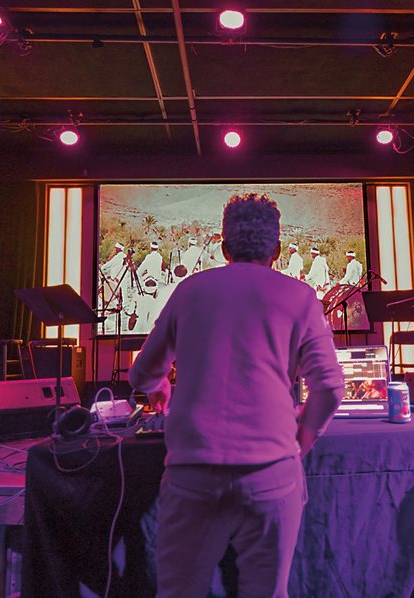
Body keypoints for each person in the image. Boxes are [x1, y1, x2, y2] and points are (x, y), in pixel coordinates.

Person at [128, 193, 343, 598]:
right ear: (277, 251)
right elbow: (330, 387)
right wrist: (304, 436)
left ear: (224, 247)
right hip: (272, 474)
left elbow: (141, 374)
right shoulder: (300, 297)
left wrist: (159, 385)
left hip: (192, 473)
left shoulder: (190, 291)